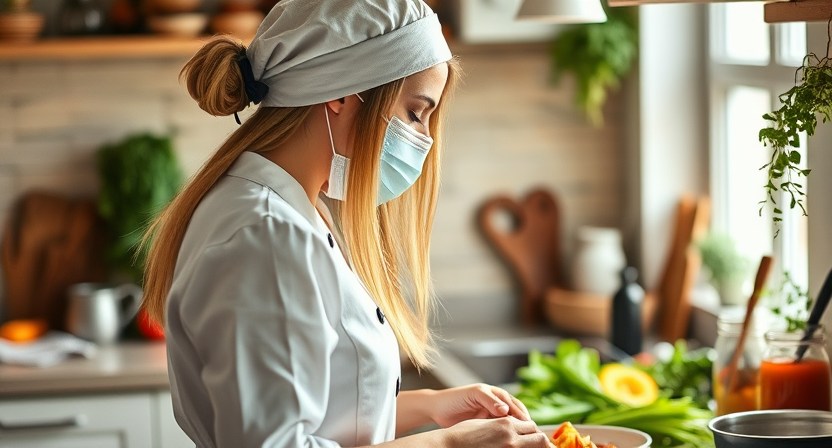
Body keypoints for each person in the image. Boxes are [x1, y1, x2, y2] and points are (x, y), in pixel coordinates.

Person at [141, 1, 551, 447]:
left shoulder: (294, 208)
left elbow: (324, 413)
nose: (424, 140)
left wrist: (429, 406)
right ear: (340, 92)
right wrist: (448, 444)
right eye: (416, 112)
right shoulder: (265, 234)